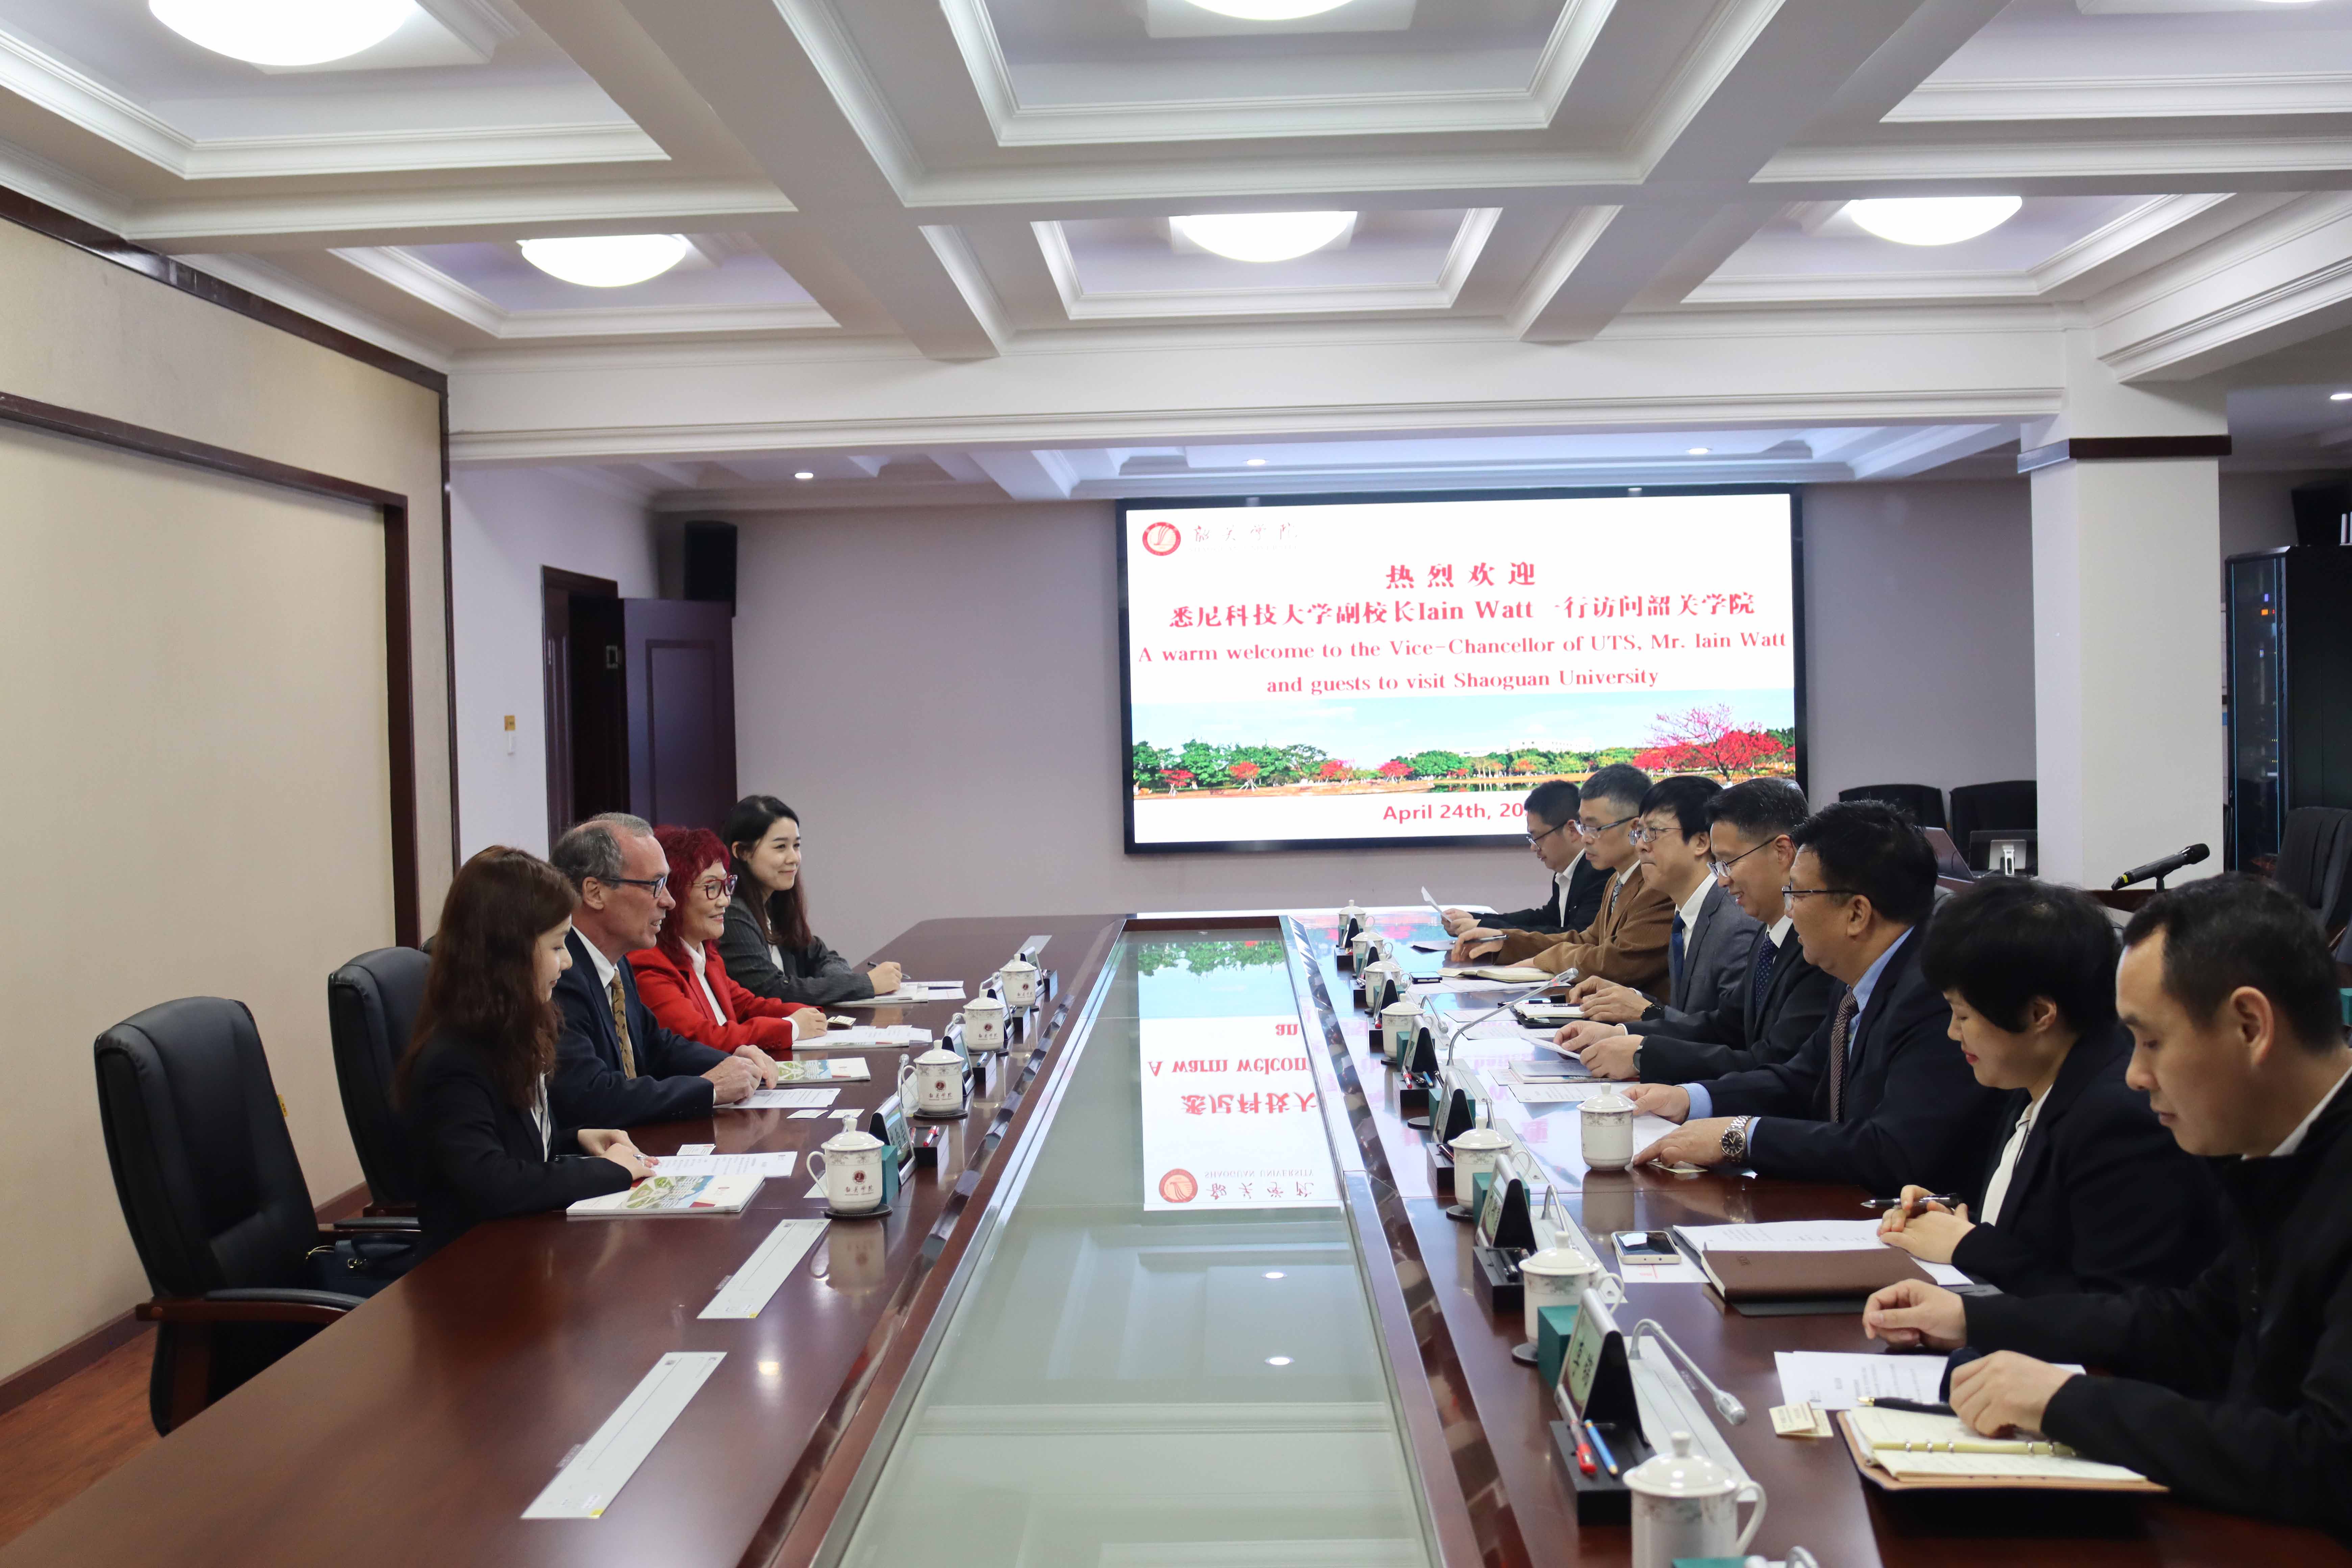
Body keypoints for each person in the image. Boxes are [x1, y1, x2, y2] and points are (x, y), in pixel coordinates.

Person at [1864, 876, 2352, 1537]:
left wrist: (2066, 1402)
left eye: (2151, 1042)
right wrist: (1977, 1318)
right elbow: (2194, 1325)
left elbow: (2328, 1461)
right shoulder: (2274, 1147)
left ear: (2250, 1026)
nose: (2134, 1074)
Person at [1625, 800, 2006, 1197]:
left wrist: (1741, 1137)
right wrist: (1689, 1099)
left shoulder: (1934, 992)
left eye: (1797, 893)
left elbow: (1892, 1147)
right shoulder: (1855, 974)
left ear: (1857, 913)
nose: (1789, 910)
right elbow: (1802, 1078)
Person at [1876, 877, 2219, 1295]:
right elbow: (2037, 1233)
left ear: (2040, 1014)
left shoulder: (2117, 1118)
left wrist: (1971, 1246)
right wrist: (1949, 1218)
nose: (1952, 1032)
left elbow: (2116, 1306)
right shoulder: (2037, 1075)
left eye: (1963, 1015)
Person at [398, 847, 648, 1259]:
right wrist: (609, 1171)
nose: (568, 962)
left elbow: (511, 1143)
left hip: (523, 1250)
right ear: (507, 955)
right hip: (472, 1271)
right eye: (557, 946)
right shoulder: (454, 1059)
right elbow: (493, 1182)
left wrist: (575, 1138)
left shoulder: (511, 1030)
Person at [1556, 778, 1838, 1084]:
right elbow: (1725, 1026)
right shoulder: (1768, 934)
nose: (1722, 880)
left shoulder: (1809, 944)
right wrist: (1623, 1033)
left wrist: (1643, 1054)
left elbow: (1774, 1064)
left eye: (1729, 862)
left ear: (1782, 852)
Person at [548, 813, 774, 1129]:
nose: (669, 901)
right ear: (595, 893)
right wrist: (710, 1089)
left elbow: (657, 1046)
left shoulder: (617, 963)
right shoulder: (559, 974)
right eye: (656, 885)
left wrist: (733, 1062)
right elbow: (590, 1095)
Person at [1450, 764, 1673, 993]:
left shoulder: (1659, 887)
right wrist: (1506, 941)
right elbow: (1586, 940)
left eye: (1595, 828)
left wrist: (1542, 960)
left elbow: (1616, 962)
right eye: (1583, 827)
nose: (1585, 838)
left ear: (1634, 828)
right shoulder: (1618, 880)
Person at [1563, 775, 1758, 1031]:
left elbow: (1731, 1035)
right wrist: (1630, 998)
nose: (1641, 846)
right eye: (1640, 833)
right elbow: (1689, 1015)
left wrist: (1646, 1013)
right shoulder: (1686, 913)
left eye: (1653, 833)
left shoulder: (1735, 922)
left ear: (1701, 842)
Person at [630, 825, 827, 1055]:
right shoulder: (649, 965)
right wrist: (792, 1027)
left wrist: (808, 1014)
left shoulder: (708, 955)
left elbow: (749, 1006)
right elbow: (701, 1038)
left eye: (727, 885)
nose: (725, 901)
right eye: (712, 887)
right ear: (672, 894)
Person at [717, 794, 903, 1007]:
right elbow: (772, 991)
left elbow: (824, 957)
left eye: (796, 846)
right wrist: (865, 984)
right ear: (742, 852)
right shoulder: (731, 912)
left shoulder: (775, 904)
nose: (794, 858)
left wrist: (844, 982)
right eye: (780, 847)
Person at [1441, 779, 1608, 940]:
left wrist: (1489, 929)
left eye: (1537, 837)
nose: (1533, 848)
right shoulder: (1567, 872)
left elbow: (1578, 938)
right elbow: (1547, 919)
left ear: (1571, 830)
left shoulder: (1599, 873)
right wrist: (1477, 920)